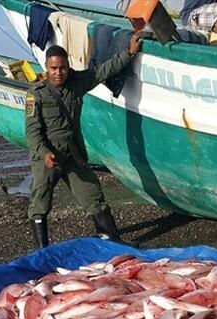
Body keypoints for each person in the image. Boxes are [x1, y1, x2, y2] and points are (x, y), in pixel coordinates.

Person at [25, 35, 143, 248]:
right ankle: (42, 251)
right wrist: (44, 154)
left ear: (68, 67)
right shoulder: (37, 94)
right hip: (47, 157)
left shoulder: (77, 83)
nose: (58, 73)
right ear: (46, 68)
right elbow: (33, 132)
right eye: (53, 68)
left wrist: (130, 53)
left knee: (93, 195)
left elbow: (103, 71)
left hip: (72, 154)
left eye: (62, 68)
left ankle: (113, 242)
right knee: (40, 203)